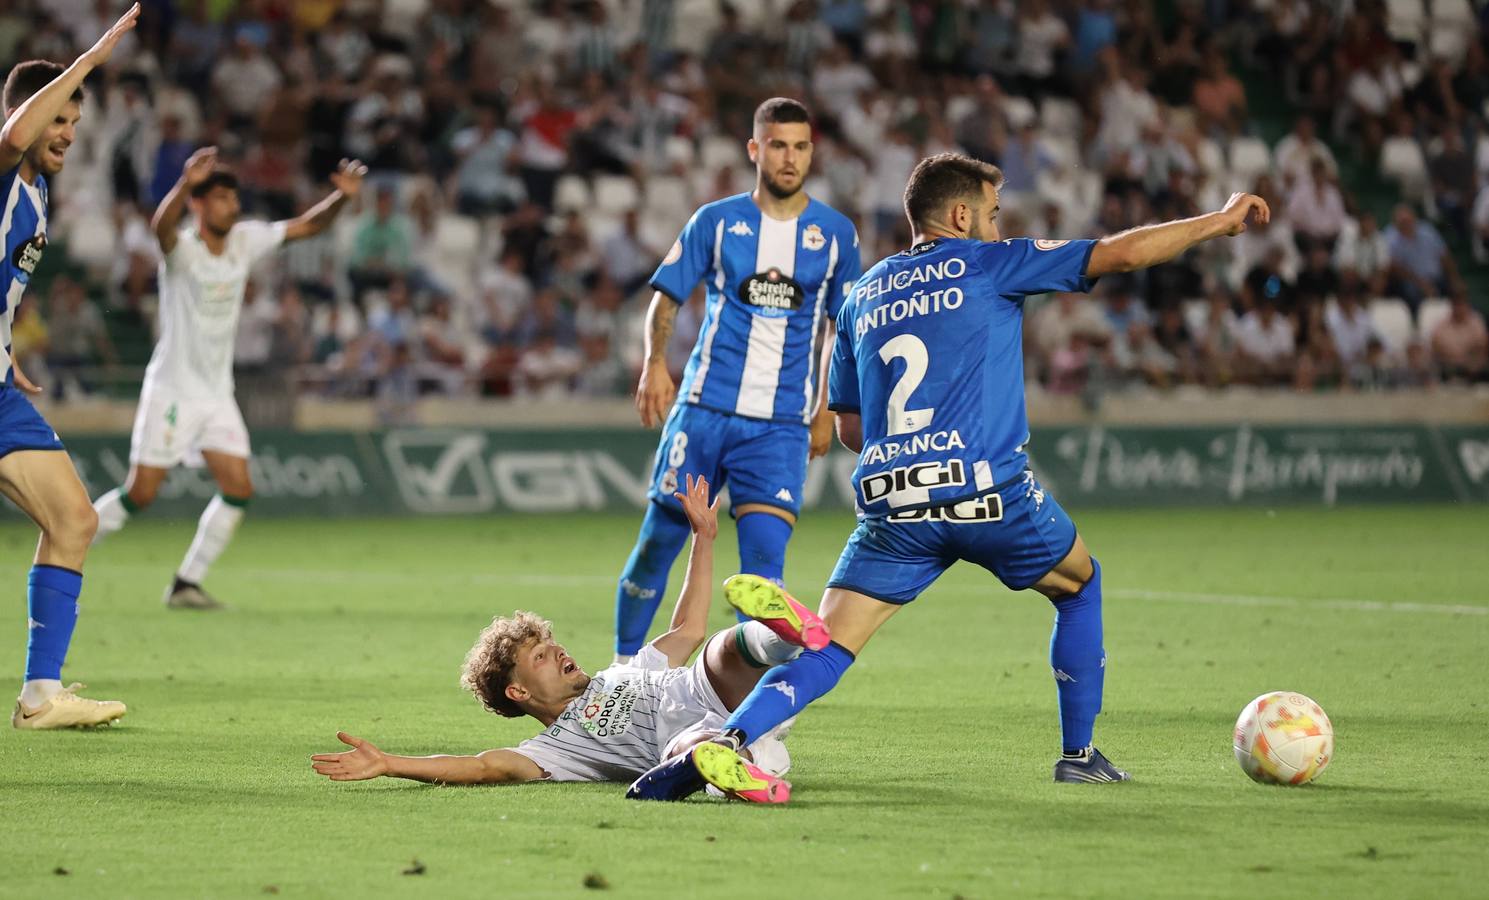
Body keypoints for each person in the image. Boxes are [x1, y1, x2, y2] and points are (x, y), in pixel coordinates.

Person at [629, 153, 1270, 801]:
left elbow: (850, 429)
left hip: (892, 503)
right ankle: (1078, 755)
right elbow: (1121, 254)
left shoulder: (862, 296)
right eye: (992, 214)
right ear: (961, 215)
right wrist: (1218, 221)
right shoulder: (991, 263)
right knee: (1079, 584)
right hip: (987, 492)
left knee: (827, 646)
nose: (997, 226)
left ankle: (728, 740)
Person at [310, 475, 824, 801]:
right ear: (518, 691)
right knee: (691, 749)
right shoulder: (555, 750)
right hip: (692, 735)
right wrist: (389, 763)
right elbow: (484, 766)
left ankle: (783, 635)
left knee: (721, 648)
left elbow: (688, 628)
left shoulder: (624, 671)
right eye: (540, 655)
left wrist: (703, 539)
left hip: (710, 689)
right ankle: (741, 765)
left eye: (551, 643)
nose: (557, 650)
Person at [615, 98, 861, 663]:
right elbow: (666, 297)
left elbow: (840, 328)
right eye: (777, 145)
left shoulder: (835, 234)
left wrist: (828, 407)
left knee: (763, 574)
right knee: (658, 543)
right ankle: (623, 673)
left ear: (811, 153)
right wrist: (655, 363)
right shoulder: (717, 221)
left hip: (779, 426)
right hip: (704, 409)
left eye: (800, 147)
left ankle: (743, 698)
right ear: (755, 149)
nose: (789, 158)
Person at [90, 148, 368, 609]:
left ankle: (186, 584)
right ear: (198, 204)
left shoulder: (245, 240)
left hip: (217, 394)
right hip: (173, 390)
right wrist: (183, 183)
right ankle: (68, 546)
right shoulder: (183, 250)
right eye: (220, 198)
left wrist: (341, 197)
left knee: (238, 488)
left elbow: (307, 226)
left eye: (234, 198)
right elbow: (160, 229)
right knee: (140, 493)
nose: (232, 206)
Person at [5, 4, 139, 730]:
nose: (66, 134)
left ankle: (39, 696)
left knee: (74, 520)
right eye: (58, 119)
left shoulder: (37, 192)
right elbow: (13, 135)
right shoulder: (4, 167)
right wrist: (90, 58)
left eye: (74, 124)